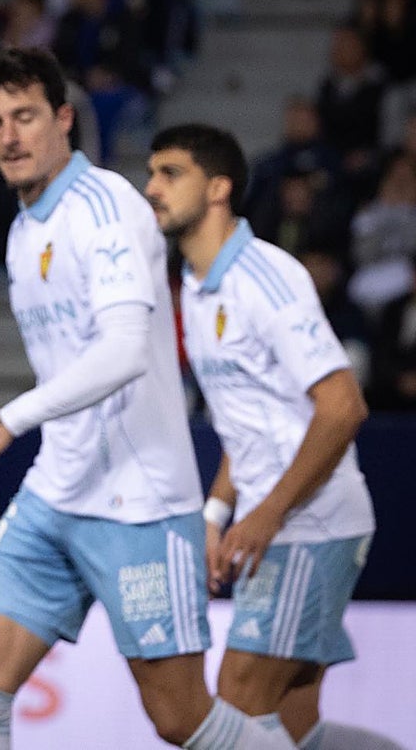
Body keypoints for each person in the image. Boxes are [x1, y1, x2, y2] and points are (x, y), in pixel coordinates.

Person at [0, 48, 293, 749]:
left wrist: (4, 424)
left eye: (26, 116)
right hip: (56, 491)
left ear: (64, 119)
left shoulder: (108, 208)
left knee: (180, 718)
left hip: (140, 503)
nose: (10, 136)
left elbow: (126, 351)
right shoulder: (23, 229)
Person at [147, 123, 402, 750]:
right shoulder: (198, 289)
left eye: (170, 174)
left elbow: (343, 408)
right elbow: (249, 424)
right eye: (151, 174)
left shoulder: (264, 278)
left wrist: (266, 514)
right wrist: (217, 513)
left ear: (218, 189)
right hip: (282, 526)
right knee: (293, 728)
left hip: (309, 527)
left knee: (232, 710)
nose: (151, 189)